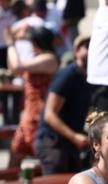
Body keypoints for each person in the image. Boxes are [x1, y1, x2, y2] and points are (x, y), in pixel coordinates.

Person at [34, 34, 90, 174]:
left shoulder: (91, 77)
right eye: (87, 46)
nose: (91, 50)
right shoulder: (68, 74)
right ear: (76, 51)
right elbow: (49, 114)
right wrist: (74, 137)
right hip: (52, 143)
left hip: (70, 145)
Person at [5, 26, 59, 166]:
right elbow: (14, 68)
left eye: (31, 43)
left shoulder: (49, 59)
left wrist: (11, 44)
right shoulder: (38, 58)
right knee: (15, 155)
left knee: (42, 159)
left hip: (40, 117)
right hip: (29, 116)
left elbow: (17, 68)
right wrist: (17, 37)